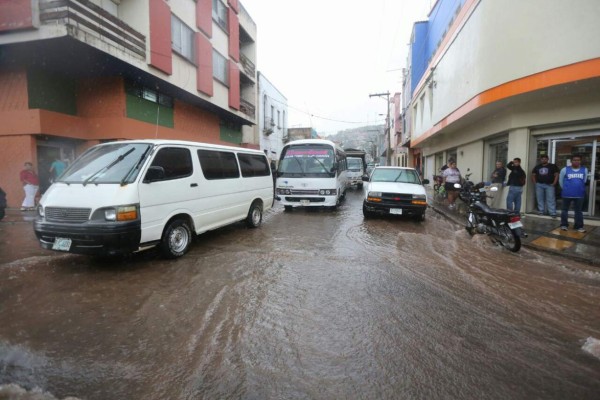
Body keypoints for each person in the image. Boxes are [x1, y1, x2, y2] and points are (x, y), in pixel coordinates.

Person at [559, 155, 588, 233]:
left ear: (580, 161)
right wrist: (565, 189)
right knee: (564, 210)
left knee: (578, 211)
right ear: (571, 161)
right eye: (574, 160)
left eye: (578, 160)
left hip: (579, 194)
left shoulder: (584, 170)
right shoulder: (564, 169)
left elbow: (584, 181)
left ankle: (579, 226)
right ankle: (564, 225)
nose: (576, 161)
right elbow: (560, 181)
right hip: (566, 194)